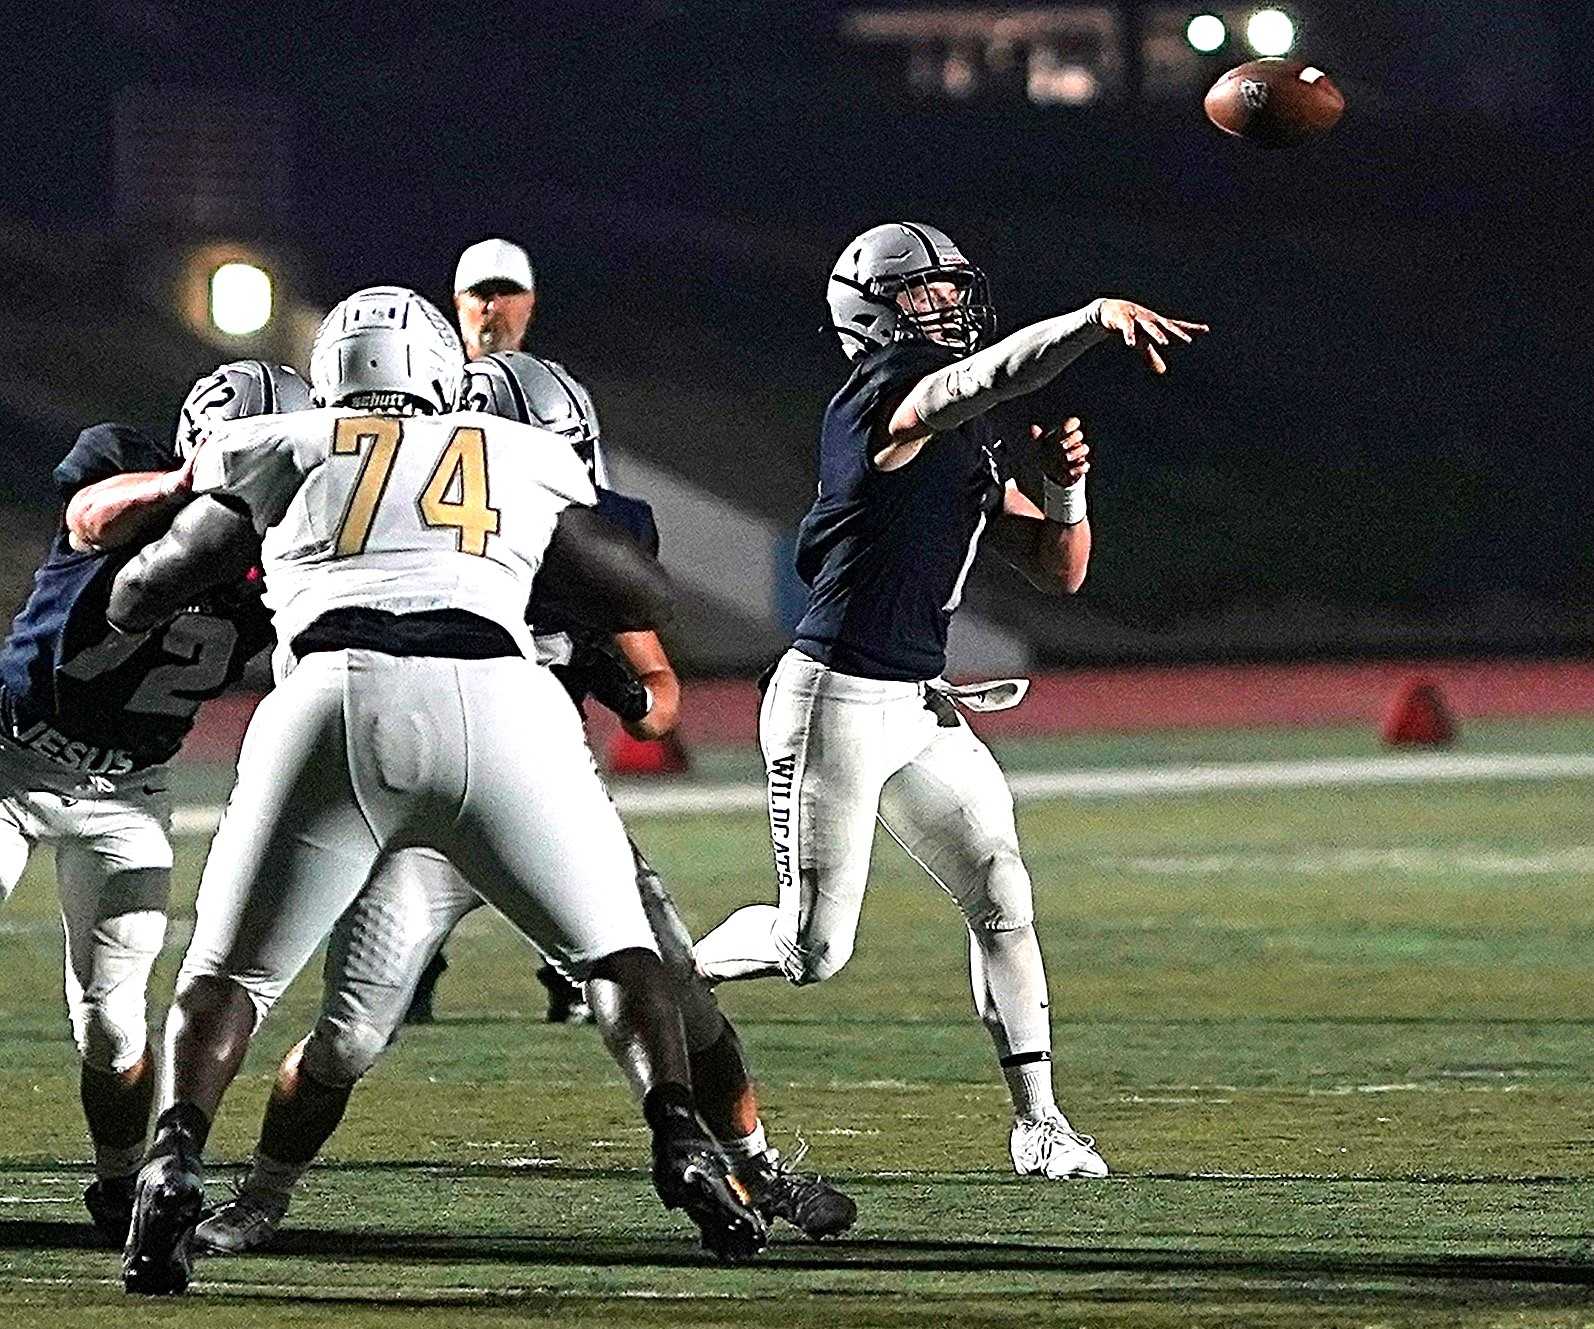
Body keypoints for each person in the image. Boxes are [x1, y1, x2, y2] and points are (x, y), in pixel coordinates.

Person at [116, 287, 766, 1295]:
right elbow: (641, 592)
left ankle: (173, 1158)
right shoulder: (511, 448)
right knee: (617, 953)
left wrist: (176, 575)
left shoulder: (281, 438)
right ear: (436, 370)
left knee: (228, 978)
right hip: (500, 703)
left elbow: (146, 584)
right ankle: (678, 1136)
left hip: (331, 699)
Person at [694, 222, 1208, 1179]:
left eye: (949, 290)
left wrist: (1064, 490)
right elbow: (983, 379)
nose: (947, 307)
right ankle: (660, 973)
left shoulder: (959, 429)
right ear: (875, 312)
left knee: (1004, 892)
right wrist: (1093, 318)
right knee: (812, 950)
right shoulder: (878, 399)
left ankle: (1042, 1122)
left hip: (917, 703)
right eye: (924, 294)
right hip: (833, 701)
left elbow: (1059, 570)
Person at [0, 361, 310, 1242]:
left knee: (111, 1023)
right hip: (11, 755)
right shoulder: (126, 462)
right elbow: (88, 516)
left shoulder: (290, 551)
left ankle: (114, 1180)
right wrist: (193, 482)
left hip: (130, 789)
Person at [413, 234, 593, 1024]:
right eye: (478, 292)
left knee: (561, 814)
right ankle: (406, 967)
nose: (492, 306)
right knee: (419, 812)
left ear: (529, 302)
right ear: (457, 303)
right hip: (445, 636)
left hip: (539, 647)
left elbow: (597, 525)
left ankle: (575, 966)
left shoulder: (557, 397)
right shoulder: (420, 395)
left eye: (505, 291)